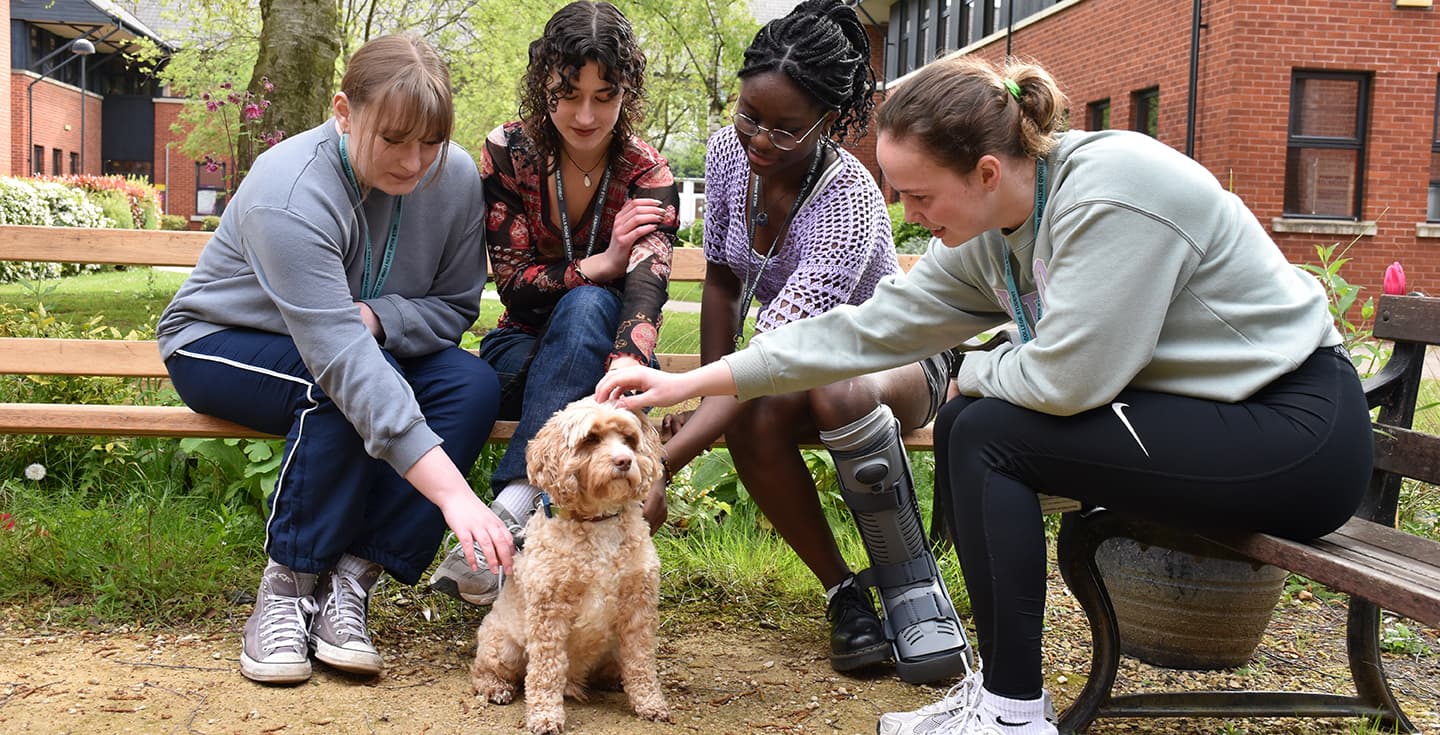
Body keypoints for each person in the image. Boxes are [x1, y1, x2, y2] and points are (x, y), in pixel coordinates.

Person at [597, 55, 1372, 735]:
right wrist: (689, 381)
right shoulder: (993, 234)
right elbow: (859, 332)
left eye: (918, 195)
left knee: (985, 422)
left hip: (1294, 432)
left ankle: (1008, 710)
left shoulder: (1110, 193)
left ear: (987, 172)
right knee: (976, 423)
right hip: (1209, 417)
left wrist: (977, 366)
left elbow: (1069, 380)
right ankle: (1001, 699)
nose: (907, 215)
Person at [157, 34, 512, 685]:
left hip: (354, 343)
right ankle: (287, 586)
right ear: (344, 112)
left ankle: (350, 582)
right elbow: (343, 366)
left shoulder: (456, 177)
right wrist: (457, 497)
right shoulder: (289, 189)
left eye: (430, 141)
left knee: (471, 382)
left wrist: (380, 317)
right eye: (395, 139)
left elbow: (455, 308)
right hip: (218, 340)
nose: (414, 162)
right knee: (332, 390)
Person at [645, 0, 969, 685]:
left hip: (897, 359)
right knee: (757, 416)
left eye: (785, 129)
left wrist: (660, 466)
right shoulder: (730, 155)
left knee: (830, 382)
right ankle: (844, 595)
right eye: (749, 116)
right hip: (792, 366)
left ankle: (912, 593)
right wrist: (706, 382)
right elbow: (725, 280)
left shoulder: (846, 201)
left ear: (831, 121)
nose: (759, 140)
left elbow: (785, 355)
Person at [427, 0, 678, 606]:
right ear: (543, 83)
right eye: (567, 93)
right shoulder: (509, 154)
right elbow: (514, 285)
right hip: (518, 355)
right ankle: (522, 517)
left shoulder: (647, 170)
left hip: (603, 380)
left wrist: (626, 363)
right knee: (591, 294)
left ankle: (511, 514)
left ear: (628, 92)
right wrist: (602, 264)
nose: (585, 114)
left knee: (595, 308)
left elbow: (646, 292)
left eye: (605, 94)